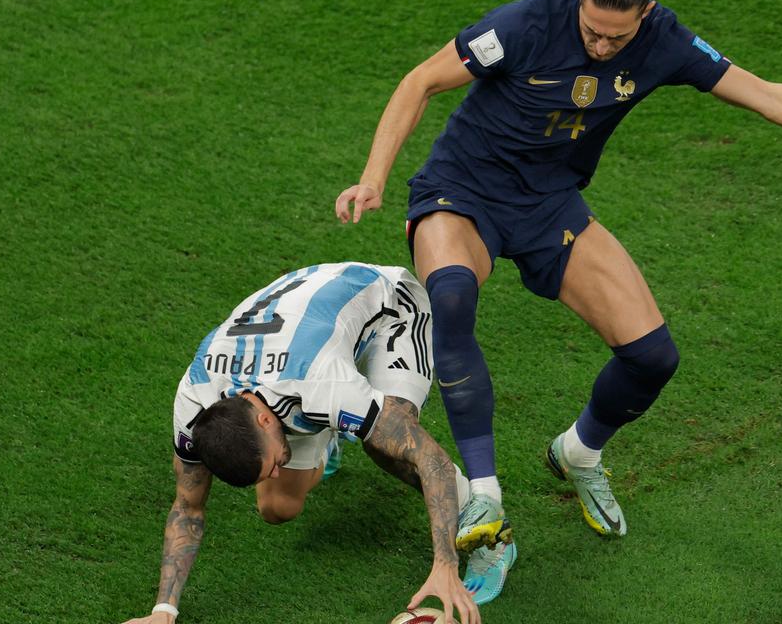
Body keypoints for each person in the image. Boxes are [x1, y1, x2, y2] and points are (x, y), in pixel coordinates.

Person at [334, 0, 782, 603]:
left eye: (615, 36)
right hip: (462, 192)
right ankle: (484, 497)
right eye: (592, 29)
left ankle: (579, 453)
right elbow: (421, 80)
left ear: (644, 16)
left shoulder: (663, 40)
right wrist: (373, 177)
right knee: (450, 300)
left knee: (653, 356)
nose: (599, 44)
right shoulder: (529, 22)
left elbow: (767, 94)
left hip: (548, 206)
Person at [120, 262, 508, 624]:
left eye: (271, 463)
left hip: (390, 308)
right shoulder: (195, 397)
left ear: (263, 419)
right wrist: (164, 610)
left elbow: (431, 460)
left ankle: (491, 534)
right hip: (301, 354)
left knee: (386, 445)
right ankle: (334, 429)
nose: (276, 470)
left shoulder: (320, 382)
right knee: (277, 507)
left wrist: (445, 562)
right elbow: (188, 507)